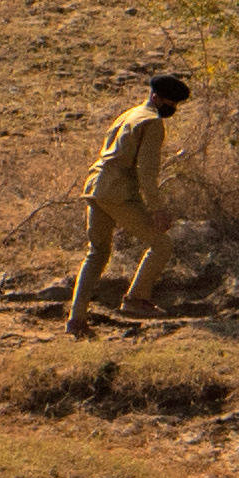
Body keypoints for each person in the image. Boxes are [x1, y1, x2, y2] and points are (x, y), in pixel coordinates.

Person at [68, 74, 193, 335]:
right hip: (117, 191)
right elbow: (147, 172)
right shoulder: (152, 123)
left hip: (94, 186)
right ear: (156, 98)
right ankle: (136, 299)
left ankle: (76, 320)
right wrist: (156, 207)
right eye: (170, 102)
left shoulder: (129, 115)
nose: (173, 108)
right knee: (161, 244)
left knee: (97, 253)